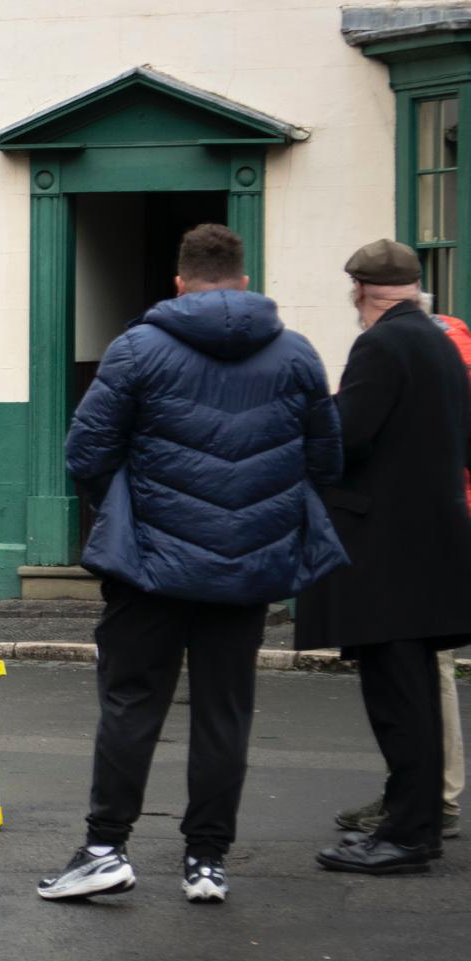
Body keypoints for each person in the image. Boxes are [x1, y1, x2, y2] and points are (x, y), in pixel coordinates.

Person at [39, 224, 347, 903]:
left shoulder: (138, 349)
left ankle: (106, 849)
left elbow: (86, 453)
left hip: (150, 562)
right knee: (224, 713)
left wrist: (128, 511)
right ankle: (206, 861)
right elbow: (325, 461)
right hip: (247, 569)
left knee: (130, 705)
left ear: (179, 283)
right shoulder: (296, 354)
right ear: (243, 279)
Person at [298, 239, 471, 876]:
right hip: (432, 544)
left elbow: (347, 437)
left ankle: (405, 835)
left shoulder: (380, 344)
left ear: (361, 291)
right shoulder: (438, 342)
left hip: (389, 554)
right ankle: (413, 821)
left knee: (398, 700)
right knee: (418, 694)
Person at [332, 291, 469, 842]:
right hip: (442, 520)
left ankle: (429, 801)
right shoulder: (445, 342)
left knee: (416, 674)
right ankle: (422, 799)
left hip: (418, 530)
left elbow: (357, 433)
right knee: (425, 669)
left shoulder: (403, 347)